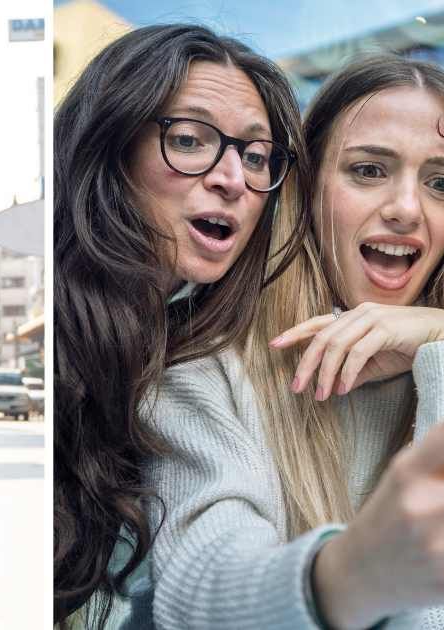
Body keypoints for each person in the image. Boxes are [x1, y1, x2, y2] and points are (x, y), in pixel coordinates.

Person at [144, 55, 444, 630]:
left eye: (440, 183)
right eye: (368, 171)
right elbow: (200, 599)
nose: (406, 210)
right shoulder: (203, 371)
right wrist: (350, 573)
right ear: (306, 189)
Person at [53, 24, 311, 628]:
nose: (232, 178)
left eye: (256, 156)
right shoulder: (60, 344)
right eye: (192, 140)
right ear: (110, 148)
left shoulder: (209, 359)